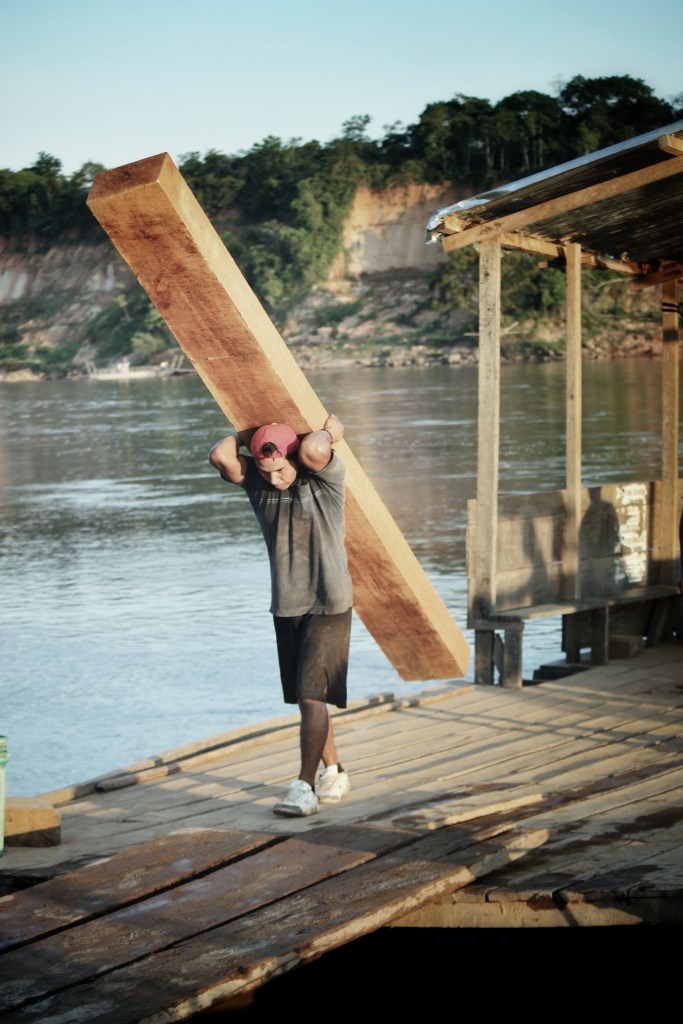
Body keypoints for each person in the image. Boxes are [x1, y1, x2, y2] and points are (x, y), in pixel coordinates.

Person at [208, 414, 353, 817]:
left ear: (294, 457)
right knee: (309, 698)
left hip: (329, 603)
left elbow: (316, 448)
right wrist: (249, 437)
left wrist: (329, 432)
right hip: (287, 604)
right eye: (265, 471)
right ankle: (335, 770)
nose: (274, 479)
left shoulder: (325, 481)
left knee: (310, 695)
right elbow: (221, 455)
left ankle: (304, 787)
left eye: (281, 469)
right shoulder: (257, 484)